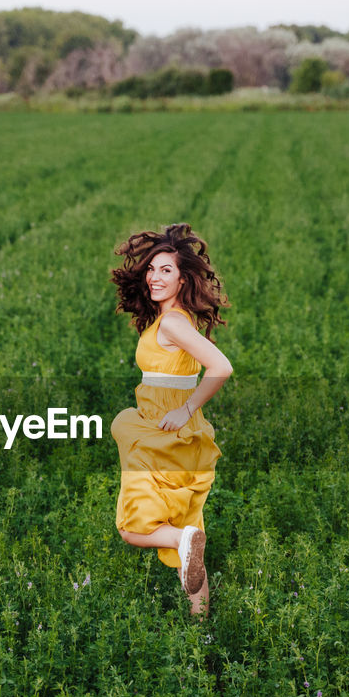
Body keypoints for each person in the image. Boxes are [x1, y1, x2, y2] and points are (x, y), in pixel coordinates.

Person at [110, 223, 231, 619]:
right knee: (185, 537)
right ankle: (202, 632)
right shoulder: (173, 320)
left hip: (164, 431)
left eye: (166, 270)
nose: (155, 277)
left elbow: (221, 366)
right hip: (171, 432)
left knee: (135, 528)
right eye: (152, 269)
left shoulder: (174, 323)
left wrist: (186, 408)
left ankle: (183, 539)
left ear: (183, 278)